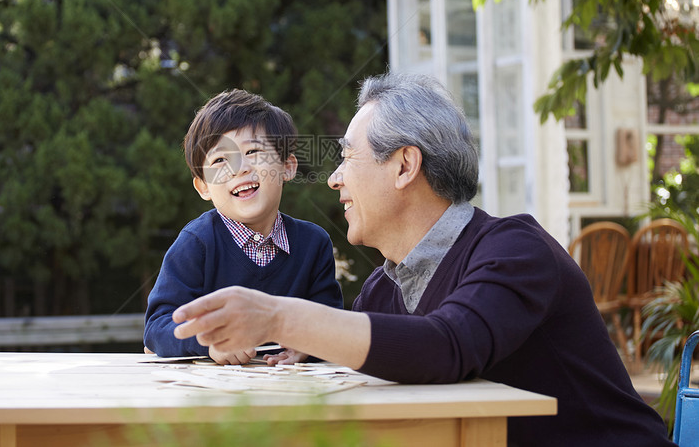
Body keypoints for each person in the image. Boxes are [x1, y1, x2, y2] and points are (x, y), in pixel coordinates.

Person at [172, 74, 676, 446]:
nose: (333, 179)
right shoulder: (384, 289)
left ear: (404, 166)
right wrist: (308, 349)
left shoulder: (516, 252)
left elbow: (447, 345)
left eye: (347, 158)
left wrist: (281, 317)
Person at [143, 88, 343, 365]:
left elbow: (330, 319)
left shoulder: (313, 243)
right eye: (220, 160)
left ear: (287, 166)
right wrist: (209, 344)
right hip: (213, 395)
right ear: (203, 187)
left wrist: (308, 345)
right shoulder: (196, 243)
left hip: (293, 391)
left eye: (253, 151)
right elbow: (157, 327)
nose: (239, 168)